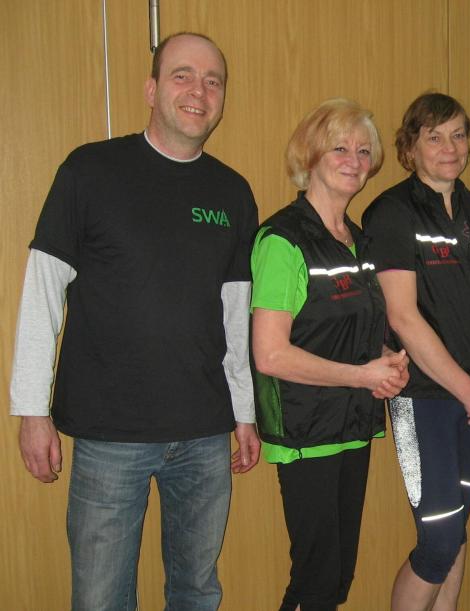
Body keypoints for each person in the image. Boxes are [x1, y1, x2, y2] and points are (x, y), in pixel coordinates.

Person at [9, 33, 260, 609]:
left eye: (213, 81)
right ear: (151, 89)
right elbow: (41, 294)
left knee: (197, 592)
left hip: (204, 433)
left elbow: (235, 318)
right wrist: (31, 412)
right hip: (108, 435)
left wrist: (245, 413)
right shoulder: (89, 170)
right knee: (100, 600)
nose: (199, 91)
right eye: (182, 75)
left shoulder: (232, 192)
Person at [362, 92, 470, 611]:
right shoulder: (391, 212)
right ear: (410, 147)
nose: (449, 148)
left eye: (458, 135)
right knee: (438, 541)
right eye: (434, 137)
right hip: (426, 399)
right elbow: (403, 317)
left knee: (457, 528)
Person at [250, 98, 409, 611]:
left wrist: (386, 362)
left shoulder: (357, 241)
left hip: (352, 424)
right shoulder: (282, 241)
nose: (354, 160)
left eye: (363, 151)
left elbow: (350, 331)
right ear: (311, 155)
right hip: (305, 430)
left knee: (336, 576)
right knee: (317, 577)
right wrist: (363, 376)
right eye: (340, 148)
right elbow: (270, 355)